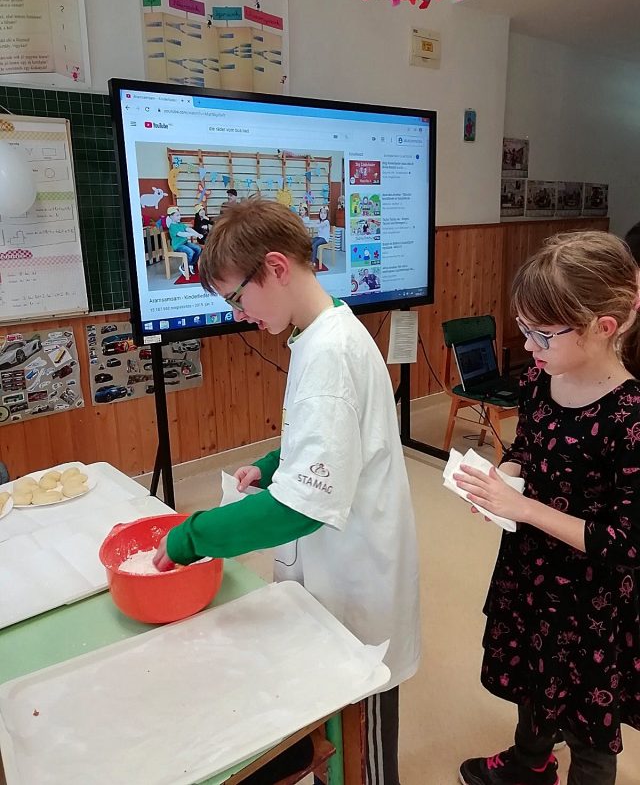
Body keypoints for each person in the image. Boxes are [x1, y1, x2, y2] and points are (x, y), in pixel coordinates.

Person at [153, 197, 421, 785]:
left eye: (236, 298)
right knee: (333, 711)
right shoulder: (327, 327)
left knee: (364, 735)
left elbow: (298, 510)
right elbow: (334, 438)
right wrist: (274, 464)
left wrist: (192, 536)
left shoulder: (329, 353)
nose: (238, 315)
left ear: (275, 268)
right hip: (335, 566)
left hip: (358, 578)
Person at [454, 231, 640, 785]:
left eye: (542, 335)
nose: (528, 346)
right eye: (523, 329)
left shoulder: (630, 417)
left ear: (603, 327)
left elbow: (625, 543)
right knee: (534, 678)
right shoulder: (541, 379)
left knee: (586, 719)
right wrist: (503, 478)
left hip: (591, 597)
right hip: (532, 571)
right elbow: (528, 448)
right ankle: (530, 763)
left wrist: (525, 508)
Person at [166, 206, 202, 278]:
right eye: (177, 215)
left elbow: (188, 229)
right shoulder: (172, 227)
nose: (179, 217)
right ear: (171, 217)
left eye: (179, 215)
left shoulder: (180, 224)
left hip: (185, 243)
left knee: (198, 249)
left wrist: (197, 234)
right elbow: (181, 234)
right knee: (190, 252)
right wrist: (193, 234)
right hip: (178, 246)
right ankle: (183, 267)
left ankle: (190, 264)